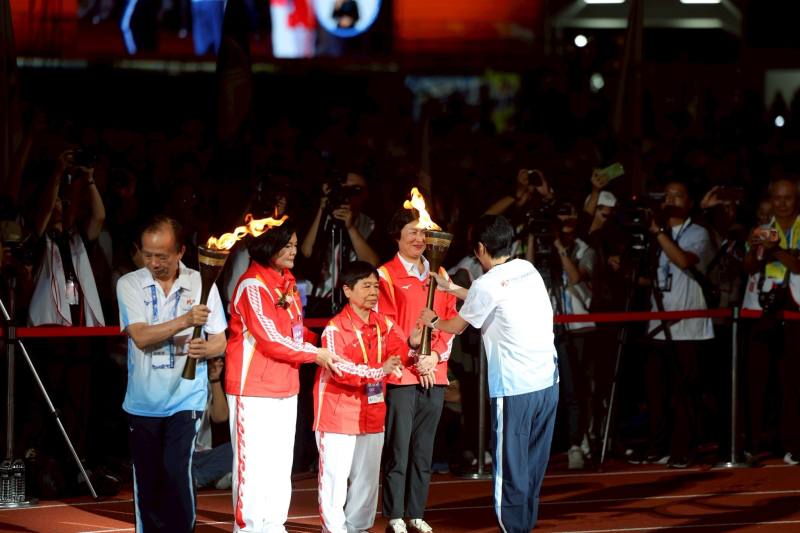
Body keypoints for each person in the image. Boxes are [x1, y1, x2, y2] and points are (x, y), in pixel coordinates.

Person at [419, 214, 558, 533]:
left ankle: (513, 528)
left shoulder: (486, 284)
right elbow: (493, 300)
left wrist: (433, 321)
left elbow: (458, 324)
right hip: (548, 383)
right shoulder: (528, 269)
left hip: (514, 388)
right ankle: (525, 524)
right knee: (532, 463)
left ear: (480, 248)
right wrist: (453, 288)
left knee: (510, 466)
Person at [224, 218, 341, 533]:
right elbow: (270, 338)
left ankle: (274, 524)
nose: (294, 251)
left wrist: (329, 342)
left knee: (278, 463)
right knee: (253, 464)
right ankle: (248, 527)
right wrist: (314, 355)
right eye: (287, 245)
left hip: (285, 386)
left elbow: (296, 333)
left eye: (293, 244)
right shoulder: (252, 285)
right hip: (252, 388)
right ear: (268, 247)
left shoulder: (287, 282)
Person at [117, 215, 228, 532]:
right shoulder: (129, 284)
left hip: (186, 397)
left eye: (161, 256)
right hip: (143, 401)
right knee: (149, 478)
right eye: (147, 254)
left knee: (177, 469)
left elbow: (219, 339)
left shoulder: (201, 281)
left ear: (180, 252)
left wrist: (207, 350)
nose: (153, 262)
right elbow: (140, 336)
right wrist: (186, 321)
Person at [377, 207, 458, 533]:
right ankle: (394, 513)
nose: (418, 238)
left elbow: (451, 325)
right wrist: (413, 351)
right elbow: (384, 325)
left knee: (424, 451)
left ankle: (416, 512)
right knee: (399, 449)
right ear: (397, 236)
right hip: (402, 375)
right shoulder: (386, 275)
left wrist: (434, 356)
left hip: (434, 373)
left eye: (423, 232)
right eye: (411, 231)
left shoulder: (441, 276)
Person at [313, 261, 410, 533]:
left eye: (376, 286)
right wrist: (380, 369)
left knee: (367, 479)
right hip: (338, 412)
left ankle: (357, 527)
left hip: (372, 409)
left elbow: (399, 352)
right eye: (365, 285)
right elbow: (339, 367)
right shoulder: (335, 328)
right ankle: (334, 530)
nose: (373, 291)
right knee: (335, 478)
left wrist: (414, 346)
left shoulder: (384, 324)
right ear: (347, 290)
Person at [641, 180, 714, 468]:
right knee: (656, 391)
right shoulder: (654, 235)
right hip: (657, 323)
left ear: (690, 202)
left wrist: (657, 232)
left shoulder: (699, 233)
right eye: (667, 194)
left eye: (678, 195)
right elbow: (655, 279)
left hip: (690, 324)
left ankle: (684, 448)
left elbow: (683, 261)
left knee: (685, 390)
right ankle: (658, 445)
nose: (671, 199)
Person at [741, 178, 800, 464]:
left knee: (792, 381)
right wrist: (756, 249)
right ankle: (754, 442)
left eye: (788, 198)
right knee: (758, 380)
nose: (782, 203)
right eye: (777, 198)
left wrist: (775, 248)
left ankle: (792, 444)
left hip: (796, 310)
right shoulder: (762, 228)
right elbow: (748, 267)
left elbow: (799, 265)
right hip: (763, 308)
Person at [301, 171, 378, 313]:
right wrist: (322, 209)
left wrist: (350, 227)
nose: (348, 195)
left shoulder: (370, 224)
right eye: (344, 189)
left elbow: (371, 263)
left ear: (365, 195)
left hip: (355, 300)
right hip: (319, 298)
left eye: (355, 190)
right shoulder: (323, 219)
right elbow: (307, 251)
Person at [192, 356, 233, 490]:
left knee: (234, 449)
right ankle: (211, 478)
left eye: (220, 359)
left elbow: (220, 417)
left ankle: (197, 478)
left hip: (204, 456)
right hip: (181, 454)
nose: (219, 362)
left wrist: (215, 379)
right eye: (213, 359)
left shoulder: (207, 386)